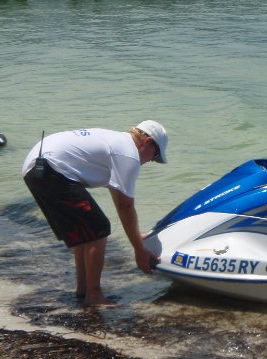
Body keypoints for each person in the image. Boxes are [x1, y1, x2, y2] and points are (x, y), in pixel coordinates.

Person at [21, 121, 167, 307]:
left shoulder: (116, 141)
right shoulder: (128, 153)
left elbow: (120, 198)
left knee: (86, 231)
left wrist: (135, 236)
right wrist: (139, 250)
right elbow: (125, 207)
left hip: (35, 167)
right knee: (99, 229)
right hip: (51, 167)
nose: (152, 161)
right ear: (147, 141)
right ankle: (94, 295)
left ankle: (83, 291)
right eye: (155, 155)